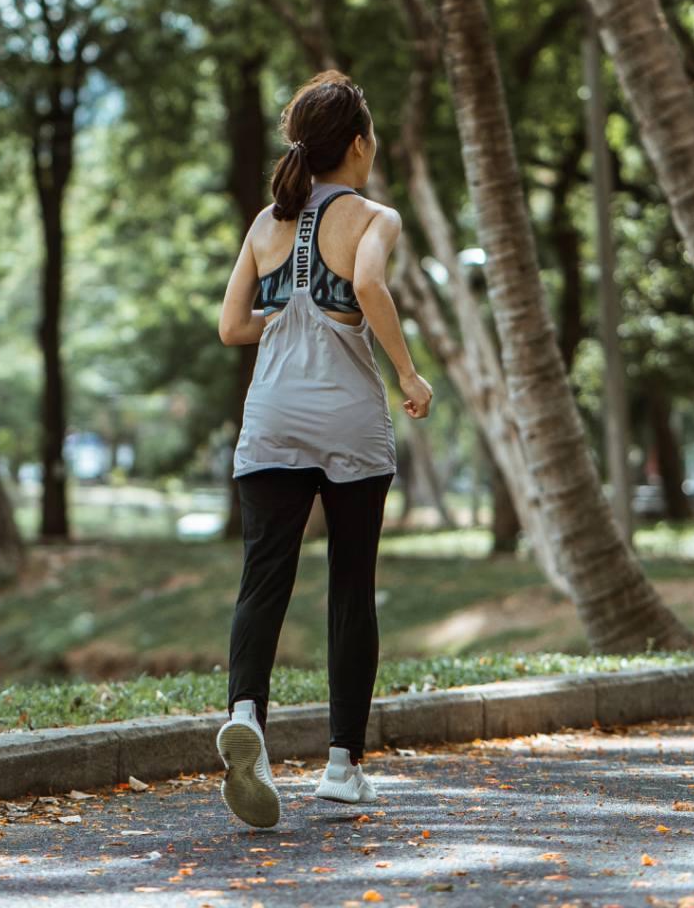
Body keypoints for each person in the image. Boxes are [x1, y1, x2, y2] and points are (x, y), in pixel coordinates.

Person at [215, 70, 433, 828]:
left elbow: (231, 327)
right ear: (361, 144)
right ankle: (342, 768)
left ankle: (248, 717)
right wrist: (407, 373)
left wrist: (285, 322)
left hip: (271, 419)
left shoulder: (265, 223)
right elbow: (368, 284)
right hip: (349, 422)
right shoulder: (374, 215)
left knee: (261, 581)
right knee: (351, 585)